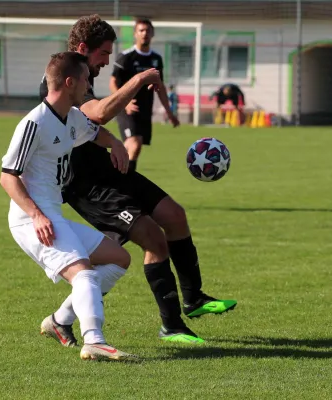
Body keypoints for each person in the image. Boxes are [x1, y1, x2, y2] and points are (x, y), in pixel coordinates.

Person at [39, 15, 237, 347]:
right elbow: (97, 112)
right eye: (103, 54)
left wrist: (113, 142)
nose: (106, 61)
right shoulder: (62, 81)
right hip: (88, 186)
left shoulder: (83, 77)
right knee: (152, 240)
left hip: (109, 169)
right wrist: (140, 78)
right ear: (84, 49)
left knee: (174, 215)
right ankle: (170, 325)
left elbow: (86, 124)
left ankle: (193, 299)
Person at [1, 51, 136, 361]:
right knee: (84, 274)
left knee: (118, 258)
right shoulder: (34, 123)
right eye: (86, 80)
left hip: (52, 214)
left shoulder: (72, 116)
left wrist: (115, 143)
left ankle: (60, 321)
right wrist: (36, 215)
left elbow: (94, 131)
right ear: (69, 82)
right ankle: (94, 340)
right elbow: (8, 178)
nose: (89, 86)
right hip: (30, 219)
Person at [109, 18, 180, 173]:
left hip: (145, 110)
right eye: (141, 30)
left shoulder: (156, 59)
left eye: (148, 30)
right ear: (135, 34)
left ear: (152, 33)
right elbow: (113, 83)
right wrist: (125, 103)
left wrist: (170, 113)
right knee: (135, 144)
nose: (145, 34)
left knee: (133, 146)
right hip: (127, 108)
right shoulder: (126, 57)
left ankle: (115, 174)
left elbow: (160, 87)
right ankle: (127, 182)